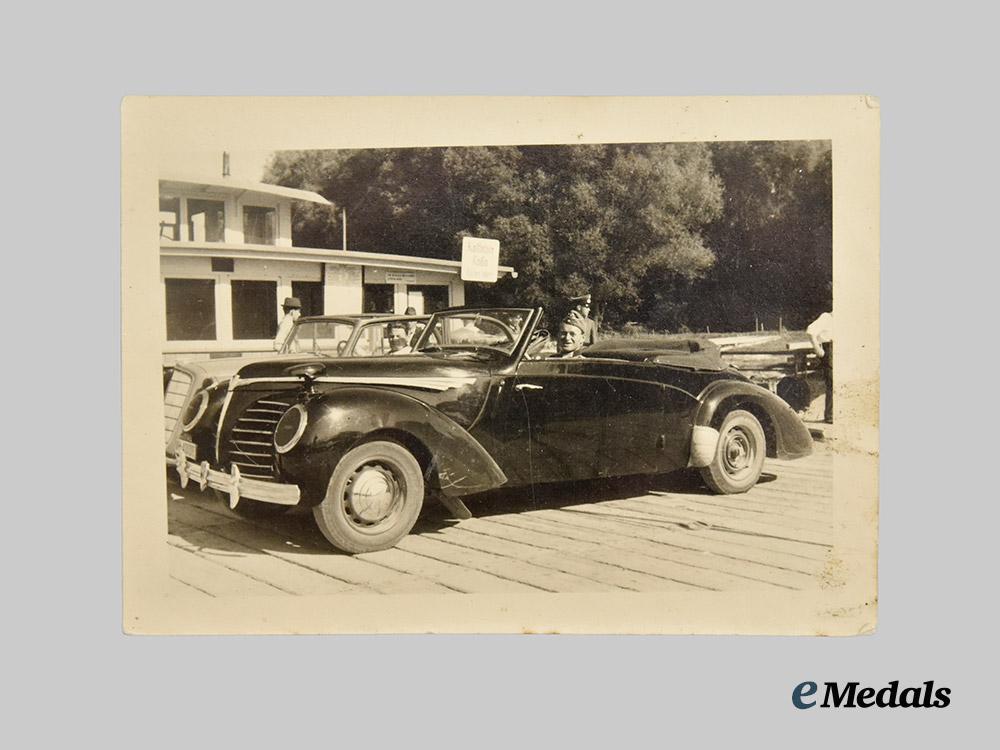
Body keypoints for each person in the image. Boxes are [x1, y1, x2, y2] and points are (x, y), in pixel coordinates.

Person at [807, 310, 834, 424]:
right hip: (830, 350)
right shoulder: (826, 317)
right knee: (832, 383)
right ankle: (830, 416)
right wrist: (818, 349)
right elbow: (810, 331)